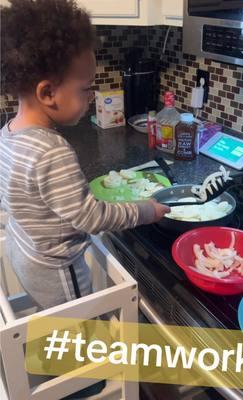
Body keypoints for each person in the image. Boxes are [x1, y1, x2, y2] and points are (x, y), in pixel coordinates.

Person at [0, 0, 170, 311]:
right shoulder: (51, 150)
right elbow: (90, 218)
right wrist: (145, 210)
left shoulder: (9, 131)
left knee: (51, 321)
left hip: (24, 251)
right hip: (56, 269)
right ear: (47, 93)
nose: (91, 98)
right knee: (79, 330)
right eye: (85, 89)